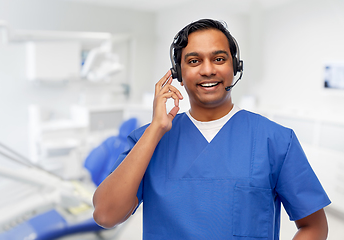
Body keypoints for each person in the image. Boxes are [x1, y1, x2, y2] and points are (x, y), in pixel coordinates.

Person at [92, 19, 331, 239]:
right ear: (178, 74)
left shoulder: (276, 140)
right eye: (194, 61)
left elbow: (314, 226)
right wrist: (155, 129)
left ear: (235, 67)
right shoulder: (148, 140)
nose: (208, 70)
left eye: (219, 59)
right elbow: (106, 215)